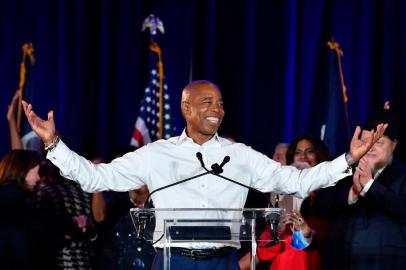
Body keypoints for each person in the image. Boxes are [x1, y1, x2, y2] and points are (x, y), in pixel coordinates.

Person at [22, 80, 387, 270]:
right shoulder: (158, 154)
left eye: (221, 103)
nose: (218, 109)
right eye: (207, 102)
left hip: (223, 262)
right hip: (172, 262)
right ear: (185, 107)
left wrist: (347, 159)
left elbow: (297, 181)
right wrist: (54, 144)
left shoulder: (238, 155)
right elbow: (95, 179)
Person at [314, 108, 406, 270]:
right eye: (365, 142)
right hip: (340, 262)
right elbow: (319, 206)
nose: (369, 147)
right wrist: (352, 194)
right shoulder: (343, 170)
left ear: (394, 145)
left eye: (378, 142)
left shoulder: (402, 175)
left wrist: (370, 186)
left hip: (385, 263)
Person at [0, 150, 41, 269]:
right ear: (22, 170)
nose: (38, 178)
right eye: (36, 172)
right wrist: (72, 222)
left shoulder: (8, 195)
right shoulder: (13, 196)